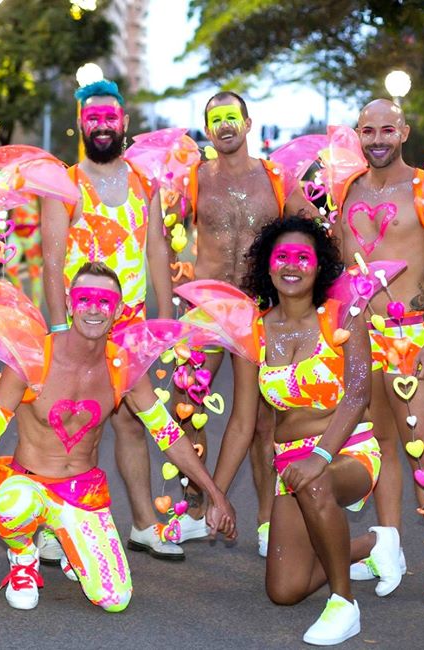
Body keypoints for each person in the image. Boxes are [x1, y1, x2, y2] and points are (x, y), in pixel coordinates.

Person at [0, 263, 236, 612]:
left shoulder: (123, 369)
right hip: (29, 484)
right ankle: (23, 555)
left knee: (115, 600)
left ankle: (69, 540)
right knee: (14, 505)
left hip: (82, 493)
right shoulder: (32, 358)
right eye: (84, 299)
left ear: (118, 310)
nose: (93, 308)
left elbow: (168, 435)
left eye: (104, 301)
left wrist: (214, 494)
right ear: (71, 305)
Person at [193, 217, 399, 645]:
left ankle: (344, 604)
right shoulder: (255, 330)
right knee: (284, 591)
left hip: (347, 451)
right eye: (281, 257)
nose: (291, 265)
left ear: (318, 266)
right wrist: (218, 495)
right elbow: (243, 421)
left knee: (317, 484)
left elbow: (358, 394)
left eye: (302, 257)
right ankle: (372, 545)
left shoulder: (343, 317)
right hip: (291, 467)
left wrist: (320, 456)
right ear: (267, 266)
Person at [40, 79, 181, 561]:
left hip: (130, 324)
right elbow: (53, 261)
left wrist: (165, 314)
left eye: (110, 117)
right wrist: (59, 330)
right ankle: (53, 525)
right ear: (81, 123)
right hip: (78, 328)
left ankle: (144, 523)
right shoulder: (64, 183)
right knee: (72, 425)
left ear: (124, 123)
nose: (102, 124)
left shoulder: (146, 182)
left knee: (132, 424)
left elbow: (156, 247)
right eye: (93, 117)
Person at [330, 99, 424, 604]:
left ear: (404, 131)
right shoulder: (348, 190)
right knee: (379, 444)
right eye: (369, 131)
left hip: (409, 336)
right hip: (359, 336)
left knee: (421, 446)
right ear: (358, 135)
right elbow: (344, 266)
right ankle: (388, 548)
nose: (378, 139)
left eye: (388, 129)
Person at [173, 91, 318, 554]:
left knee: (261, 421)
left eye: (232, 118)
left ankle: (265, 520)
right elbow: (165, 230)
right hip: (207, 308)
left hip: (259, 309)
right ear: (207, 127)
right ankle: (198, 508)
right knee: (185, 406)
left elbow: (312, 225)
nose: (225, 126)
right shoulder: (194, 178)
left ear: (248, 122)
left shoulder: (275, 178)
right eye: (216, 120)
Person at [4, 195, 43, 307]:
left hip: (33, 232)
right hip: (15, 231)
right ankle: (23, 302)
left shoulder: (37, 185)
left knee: (34, 272)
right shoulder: (13, 184)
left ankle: (36, 309)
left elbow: (43, 208)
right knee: (10, 268)